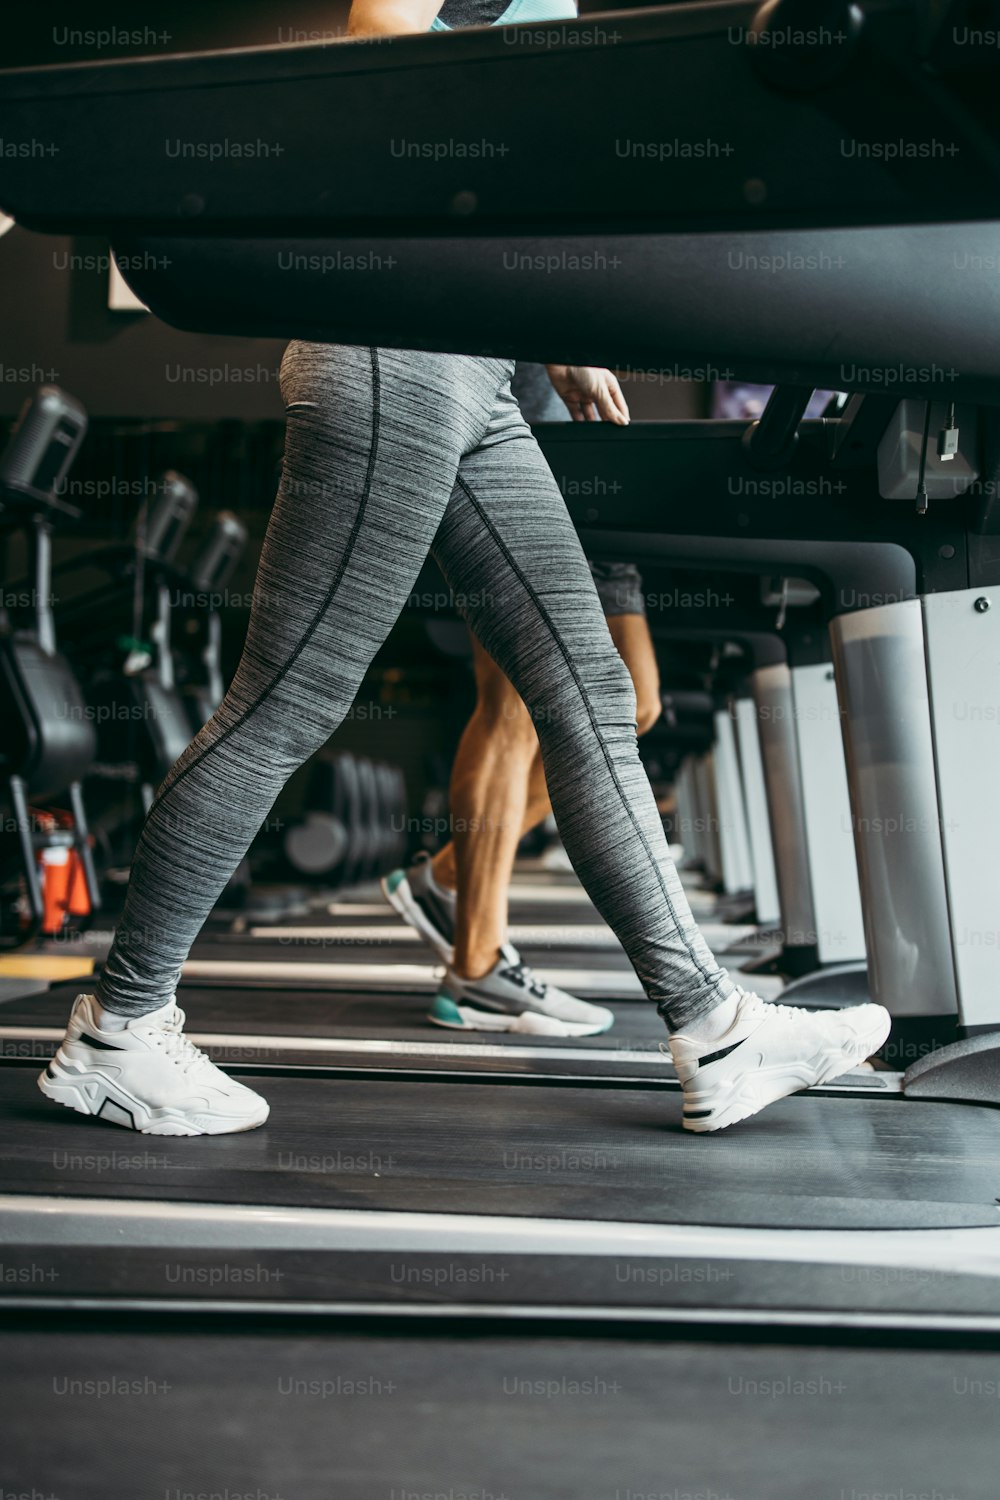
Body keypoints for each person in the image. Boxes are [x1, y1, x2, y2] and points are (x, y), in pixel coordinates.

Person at [37, 0, 890, 1139]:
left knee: (588, 690)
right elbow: (385, 45)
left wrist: (546, 326)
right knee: (289, 696)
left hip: (477, 360)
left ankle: (713, 1027)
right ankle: (118, 1028)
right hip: (394, 337)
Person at [384, 360, 662, 1036]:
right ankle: (476, 966)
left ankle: (449, 875)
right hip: (525, 444)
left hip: (594, 462)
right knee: (511, 705)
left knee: (633, 704)